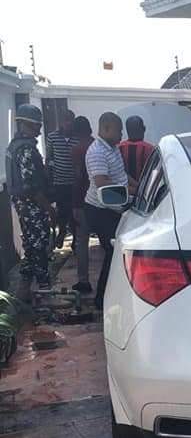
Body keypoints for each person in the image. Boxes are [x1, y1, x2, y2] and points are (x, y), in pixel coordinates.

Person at [84, 112, 137, 310]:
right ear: (106, 129)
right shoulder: (97, 151)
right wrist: (135, 191)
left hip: (114, 207)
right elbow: (102, 184)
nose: (121, 134)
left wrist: (139, 186)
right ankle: (102, 299)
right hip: (100, 209)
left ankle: (109, 295)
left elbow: (122, 175)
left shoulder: (112, 149)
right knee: (113, 251)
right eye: (119, 130)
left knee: (117, 251)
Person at [5, 103, 55, 291]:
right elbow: (31, 187)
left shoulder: (14, 146)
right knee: (39, 244)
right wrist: (49, 209)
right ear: (25, 124)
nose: (40, 130)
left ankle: (25, 284)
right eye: (37, 125)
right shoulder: (26, 149)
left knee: (30, 242)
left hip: (22, 204)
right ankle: (44, 287)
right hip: (31, 204)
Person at [46, 109, 77, 250]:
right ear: (61, 122)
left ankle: (76, 240)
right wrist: (49, 180)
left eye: (71, 120)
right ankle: (62, 232)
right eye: (66, 120)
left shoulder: (77, 138)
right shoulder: (52, 137)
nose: (68, 123)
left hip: (75, 183)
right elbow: (49, 159)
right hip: (59, 183)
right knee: (61, 211)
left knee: (74, 213)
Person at [71, 116, 94, 294]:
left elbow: (78, 177)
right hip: (99, 198)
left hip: (81, 200)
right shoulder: (97, 145)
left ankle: (84, 281)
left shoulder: (78, 148)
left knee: (81, 241)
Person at [119, 115, 154, 183]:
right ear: (144, 129)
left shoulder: (119, 148)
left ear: (127, 130)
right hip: (146, 190)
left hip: (125, 189)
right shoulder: (150, 149)